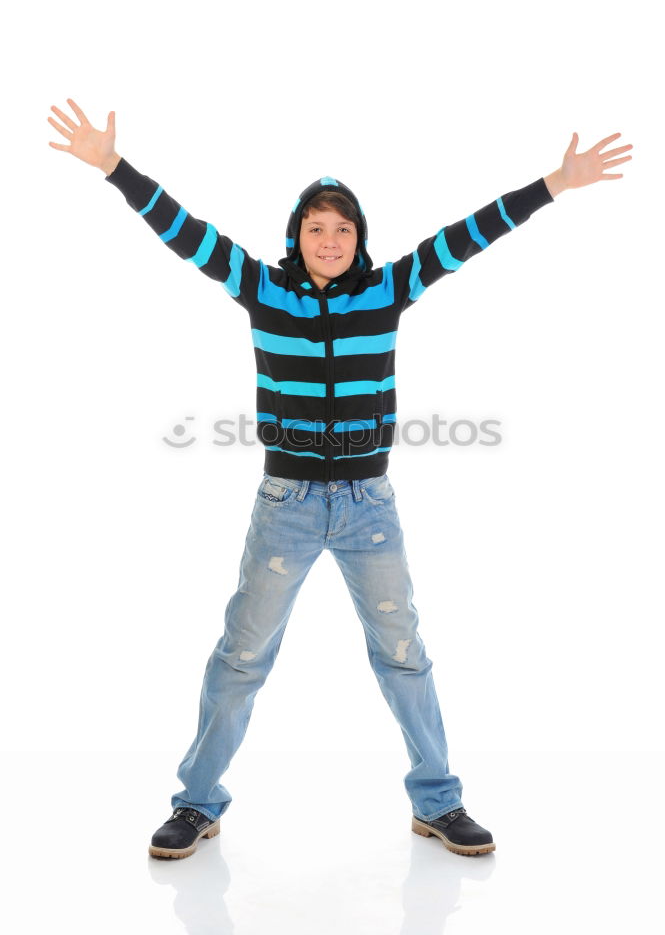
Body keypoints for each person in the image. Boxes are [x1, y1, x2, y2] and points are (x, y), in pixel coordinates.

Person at [48, 99, 632, 859]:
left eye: (343, 228)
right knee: (242, 656)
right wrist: (114, 169)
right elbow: (182, 231)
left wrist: (552, 184)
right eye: (315, 228)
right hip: (285, 506)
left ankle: (437, 802)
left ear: (359, 240)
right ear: (296, 237)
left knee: (402, 653)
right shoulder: (260, 288)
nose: (329, 240)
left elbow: (470, 234)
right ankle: (197, 804)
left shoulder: (387, 289)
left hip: (369, 509)